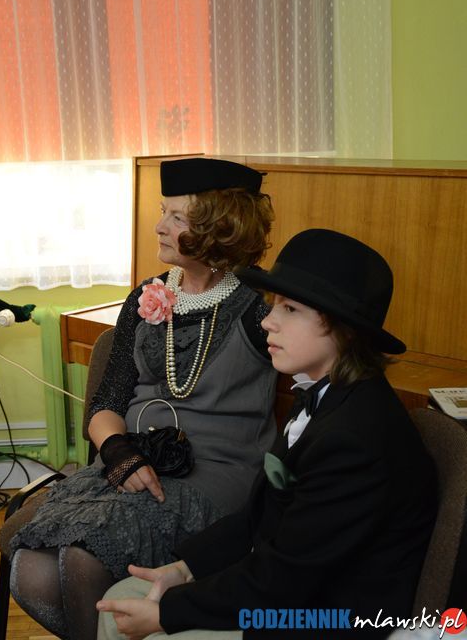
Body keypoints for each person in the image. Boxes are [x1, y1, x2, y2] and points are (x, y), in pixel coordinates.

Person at [96, 228, 438, 640]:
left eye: (290, 309)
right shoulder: (321, 393)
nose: (269, 321)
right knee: (121, 599)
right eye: (275, 304)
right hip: (286, 590)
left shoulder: (356, 438)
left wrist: (168, 615)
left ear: (343, 330)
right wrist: (185, 569)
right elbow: (259, 514)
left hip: (326, 618)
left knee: (137, 625)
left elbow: (284, 580)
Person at [8, 157, 278, 640]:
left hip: (216, 474)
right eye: (162, 211)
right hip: (133, 462)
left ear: (219, 227)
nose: (159, 226)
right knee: (29, 568)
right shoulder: (145, 297)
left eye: (177, 217)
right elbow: (106, 403)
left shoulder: (260, 307)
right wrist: (118, 453)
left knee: (79, 557)